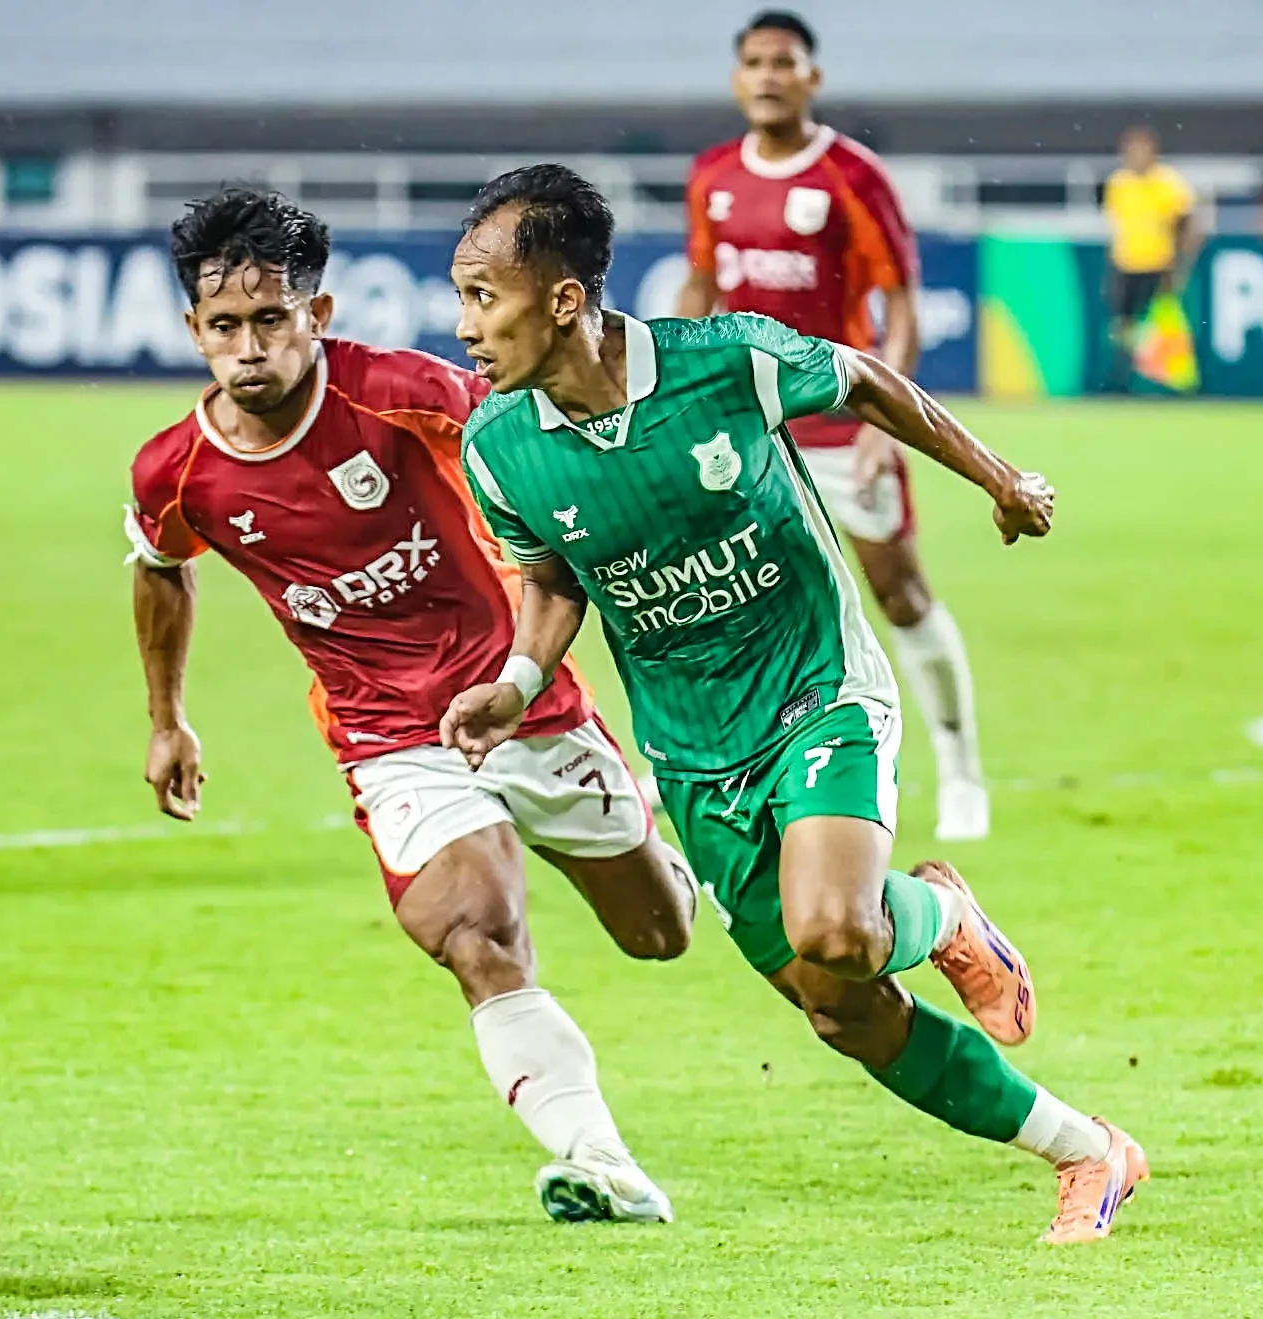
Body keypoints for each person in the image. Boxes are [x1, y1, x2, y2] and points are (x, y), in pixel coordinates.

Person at [442, 165, 1147, 1244]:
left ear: (565, 298)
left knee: (837, 927)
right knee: (838, 1006)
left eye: (483, 297)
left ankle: (941, 915)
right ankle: (1088, 1150)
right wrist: (517, 683)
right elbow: (552, 579)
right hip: (690, 750)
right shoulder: (498, 447)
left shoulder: (722, 360)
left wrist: (999, 478)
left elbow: (862, 379)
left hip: (816, 688)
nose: (466, 326)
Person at [126, 188, 699, 1224]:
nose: (248, 348)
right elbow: (161, 566)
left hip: (516, 698)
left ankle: (660, 829)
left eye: (271, 319)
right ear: (193, 330)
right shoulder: (178, 470)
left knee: (659, 933)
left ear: (317, 313)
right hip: (385, 735)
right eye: (224, 326)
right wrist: (168, 717)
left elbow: (538, 447)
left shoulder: (402, 394)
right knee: (473, 929)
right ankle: (603, 1162)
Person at [677, 9, 988, 842]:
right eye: (755, 62)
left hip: (841, 424)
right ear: (737, 78)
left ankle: (962, 771)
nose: (769, 76)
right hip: (744, 432)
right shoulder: (712, 176)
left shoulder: (853, 176)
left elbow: (902, 305)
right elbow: (701, 287)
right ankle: (722, 764)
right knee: (729, 600)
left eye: (784, 62)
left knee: (899, 592)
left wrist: (887, 425)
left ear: (812, 77)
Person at [1103, 125, 1200, 391]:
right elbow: (1118, 227)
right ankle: (1125, 381)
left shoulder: (1169, 183)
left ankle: (1171, 383)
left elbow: (1187, 225)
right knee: (1123, 327)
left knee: (1165, 326)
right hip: (1126, 265)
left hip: (1159, 265)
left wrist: (1180, 264)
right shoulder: (1118, 184)